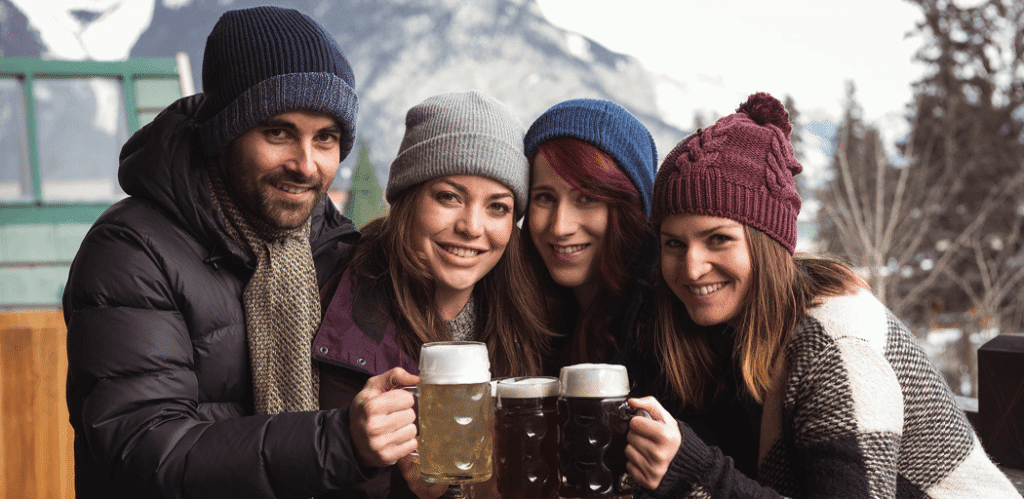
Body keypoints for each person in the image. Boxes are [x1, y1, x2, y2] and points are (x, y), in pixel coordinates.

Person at [63, 6, 419, 498]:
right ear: (223, 132)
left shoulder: (337, 249)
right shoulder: (131, 251)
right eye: (278, 132)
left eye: (326, 138)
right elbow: (147, 451)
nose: (305, 164)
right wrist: (339, 441)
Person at [623, 92, 1021, 498]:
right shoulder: (722, 329)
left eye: (718, 239)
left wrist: (697, 474)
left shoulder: (836, 346)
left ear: (768, 244)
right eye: (674, 244)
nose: (692, 268)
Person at [313, 90, 555, 499]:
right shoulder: (334, 304)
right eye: (449, 197)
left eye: (497, 207)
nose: (472, 227)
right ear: (407, 197)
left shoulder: (533, 315)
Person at [521, 99, 658, 371]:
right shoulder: (519, 301)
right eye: (545, 197)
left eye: (586, 198)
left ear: (629, 209)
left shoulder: (662, 322)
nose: (560, 227)